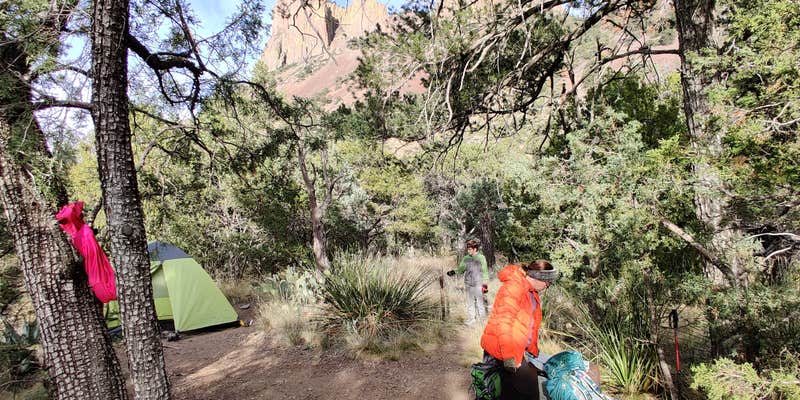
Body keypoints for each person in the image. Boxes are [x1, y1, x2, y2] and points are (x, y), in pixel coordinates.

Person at [479, 259, 559, 399]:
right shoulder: (514, 288)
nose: (548, 285)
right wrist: (510, 359)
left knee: (511, 392)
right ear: (538, 277)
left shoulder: (531, 292)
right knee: (527, 390)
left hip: (514, 350)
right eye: (548, 282)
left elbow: (529, 326)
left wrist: (533, 350)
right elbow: (503, 324)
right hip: (502, 351)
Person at [447, 239, 489, 326]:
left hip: (478, 284)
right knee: (470, 303)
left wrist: (485, 284)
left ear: (475, 249)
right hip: (469, 284)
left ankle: (482, 321)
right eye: (468, 249)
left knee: (480, 303)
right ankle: (472, 320)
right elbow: (461, 269)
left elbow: (485, 271)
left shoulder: (481, 258)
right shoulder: (466, 258)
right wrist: (453, 272)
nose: (468, 250)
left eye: (470, 249)